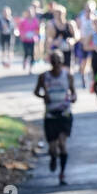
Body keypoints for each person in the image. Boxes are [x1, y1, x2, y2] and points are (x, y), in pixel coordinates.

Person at [33, 49, 77, 185]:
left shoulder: (68, 76)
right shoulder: (43, 77)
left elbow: (74, 93)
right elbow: (36, 92)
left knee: (62, 144)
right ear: (50, 62)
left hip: (65, 114)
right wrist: (43, 96)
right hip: (50, 116)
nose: (56, 63)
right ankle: (53, 158)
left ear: (62, 62)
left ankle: (62, 174)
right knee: (52, 149)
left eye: (59, 61)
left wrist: (72, 98)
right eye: (54, 61)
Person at [46, 4, 76, 73]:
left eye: (60, 14)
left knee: (69, 72)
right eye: (56, 14)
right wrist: (54, 43)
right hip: (57, 53)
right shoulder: (51, 26)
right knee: (57, 71)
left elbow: (77, 36)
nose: (58, 16)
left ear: (64, 14)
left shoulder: (70, 24)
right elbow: (48, 40)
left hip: (68, 51)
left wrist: (72, 40)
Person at [18, 5, 41, 72]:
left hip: (33, 39)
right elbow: (20, 29)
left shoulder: (35, 21)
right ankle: (25, 62)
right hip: (25, 39)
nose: (30, 13)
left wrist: (35, 33)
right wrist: (23, 35)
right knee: (26, 53)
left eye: (31, 12)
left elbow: (38, 29)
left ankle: (31, 68)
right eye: (28, 12)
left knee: (32, 53)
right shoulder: (23, 21)